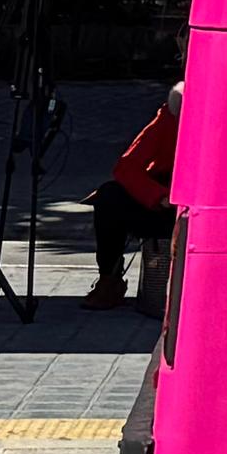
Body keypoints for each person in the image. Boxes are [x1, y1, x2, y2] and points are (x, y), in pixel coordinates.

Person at [84, 90, 177, 311]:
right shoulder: (171, 115)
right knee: (109, 196)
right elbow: (126, 167)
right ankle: (110, 279)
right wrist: (160, 196)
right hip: (166, 201)